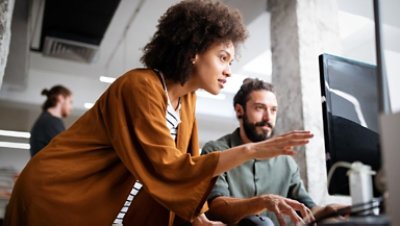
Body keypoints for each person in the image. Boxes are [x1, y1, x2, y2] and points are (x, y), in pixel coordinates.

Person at [4, 1, 314, 225]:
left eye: (231, 62)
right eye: (222, 58)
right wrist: (251, 150)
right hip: (59, 195)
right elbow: (170, 167)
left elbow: (187, 169)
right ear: (193, 51)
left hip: (106, 207)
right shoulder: (139, 86)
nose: (228, 71)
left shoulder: (187, 99)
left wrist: (199, 217)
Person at [202, 78, 344, 226]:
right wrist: (263, 202)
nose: (268, 117)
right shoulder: (215, 151)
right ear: (239, 111)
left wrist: (330, 210)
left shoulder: (286, 161)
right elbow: (216, 208)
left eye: (273, 110)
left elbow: (307, 209)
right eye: (259, 108)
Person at [29, 85, 73, 157]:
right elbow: (66, 150)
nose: (71, 107)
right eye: (70, 102)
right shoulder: (49, 122)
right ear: (61, 98)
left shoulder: (50, 120)